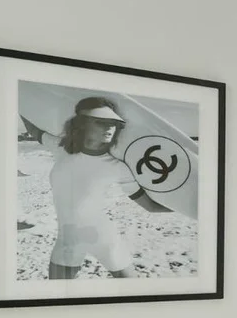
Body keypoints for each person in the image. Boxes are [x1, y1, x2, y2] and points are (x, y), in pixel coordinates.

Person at [21, 96, 168, 279]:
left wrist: (196, 207)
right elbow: (33, 129)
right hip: (68, 238)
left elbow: (150, 207)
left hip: (104, 237)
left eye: (114, 123)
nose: (109, 128)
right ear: (83, 124)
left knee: (133, 292)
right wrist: (19, 100)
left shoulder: (118, 167)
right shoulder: (61, 149)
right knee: (56, 296)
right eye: (101, 122)